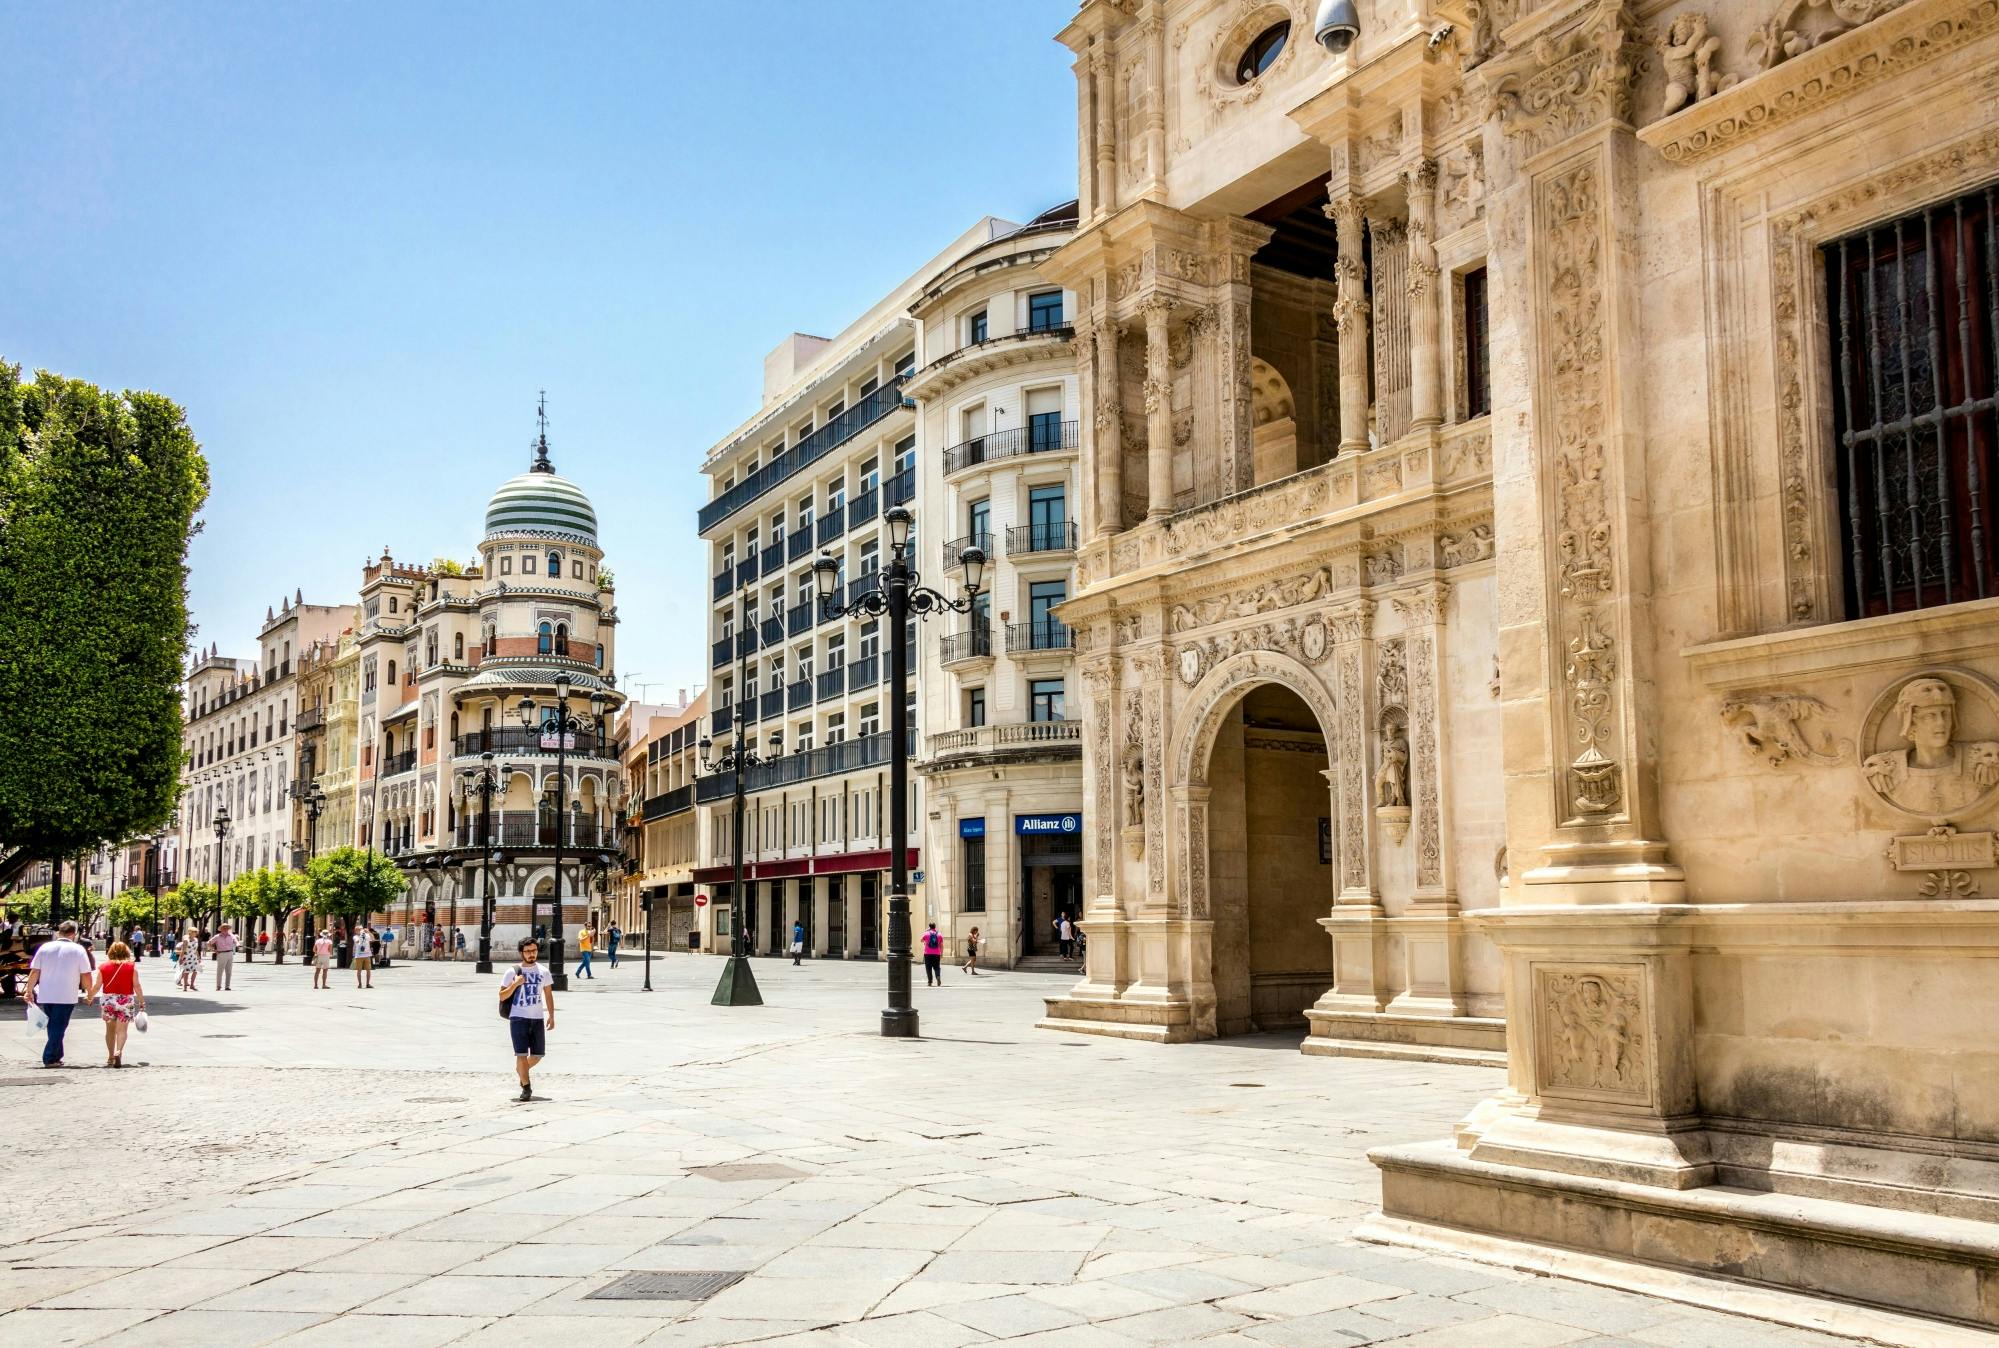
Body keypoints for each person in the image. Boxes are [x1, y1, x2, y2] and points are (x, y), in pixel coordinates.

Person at [23, 920, 93, 1068]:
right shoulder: (78, 949)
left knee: (54, 1026)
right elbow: (86, 974)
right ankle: (49, 1057)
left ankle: (56, 1055)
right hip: (66, 994)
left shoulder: (44, 948)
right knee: (59, 1026)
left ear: (59, 932)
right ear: (73, 934)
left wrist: (28, 990)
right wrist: (89, 992)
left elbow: (35, 971)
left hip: (46, 993)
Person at [499, 936, 555, 1102]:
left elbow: (548, 994)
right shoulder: (512, 972)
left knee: (538, 1055)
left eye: (534, 951)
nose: (532, 954)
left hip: (537, 1018)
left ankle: (521, 1071)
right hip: (518, 1018)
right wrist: (515, 984)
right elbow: (502, 996)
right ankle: (526, 1087)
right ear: (521, 953)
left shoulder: (543, 971)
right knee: (521, 1054)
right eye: (528, 951)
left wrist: (551, 1015)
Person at [90, 940, 145, 1068]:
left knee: (110, 1030)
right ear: (126, 952)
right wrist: (142, 1001)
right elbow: (137, 986)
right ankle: (118, 1051)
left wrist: (89, 997)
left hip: (108, 1000)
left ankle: (110, 1057)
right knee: (122, 1030)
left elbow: (97, 986)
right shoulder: (131, 967)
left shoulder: (103, 967)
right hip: (126, 1000)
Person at [210, 923, 238, 991]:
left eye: (227, 928)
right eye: (224, 928)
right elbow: (209, 943)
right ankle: (218, 986)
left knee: (229, 971)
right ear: (221, 929)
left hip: (230, 953)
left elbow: (236, 941)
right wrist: (214, 950)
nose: (225, 929)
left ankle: (227, 986)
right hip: (221, 953)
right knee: (220, 971)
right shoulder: (217, 936)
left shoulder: (231, 936)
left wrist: (237, 944)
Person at [920, 922, 943, 987]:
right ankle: (938, 976)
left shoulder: (926, 933)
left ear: (929, 927)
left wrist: (926, 932)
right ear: (935, 926)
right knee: (937, 967)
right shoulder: (939, 934)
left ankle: (930, 982)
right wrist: (941, 953)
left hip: (927, 953)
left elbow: (921, 940)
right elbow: (941, 945)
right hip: (937, 953)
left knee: (928, 968)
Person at [352, 923, 374, 988]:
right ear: (356, 931)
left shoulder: (367, 935)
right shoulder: (355, 936)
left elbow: (373, 939)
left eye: (361, 929)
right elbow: (357, 941)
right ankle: (360, 984)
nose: (361, 930)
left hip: (367, 955)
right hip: (359, 955)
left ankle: (368, 984)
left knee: (368, 970)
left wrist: (369, 932)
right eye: (359, 929)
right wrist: (362, 935)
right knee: (359, 970)